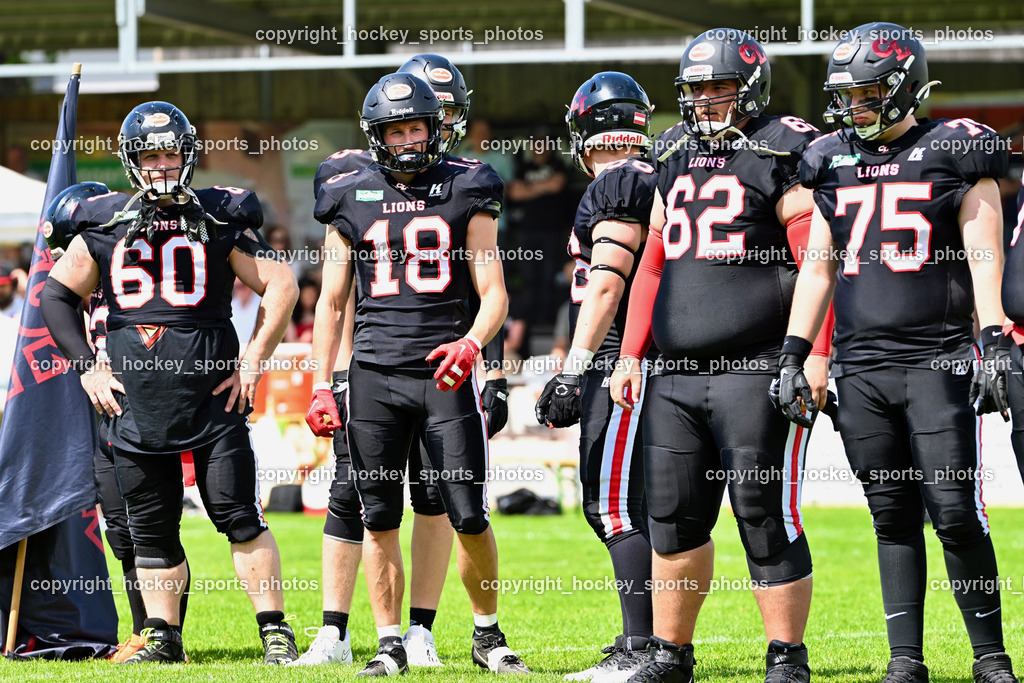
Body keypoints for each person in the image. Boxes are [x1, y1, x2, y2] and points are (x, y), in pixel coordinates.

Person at [778, 22, 1019, 683]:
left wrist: (993, 335)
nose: (852, 106)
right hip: (861, 368)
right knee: (891, 516)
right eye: (846, 94)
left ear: (903, 86)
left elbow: (982, 250)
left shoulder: (954, 148)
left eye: (866, 93)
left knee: (955, 510)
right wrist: (795, 350)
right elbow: (819, 265)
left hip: (935, 359)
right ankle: (905, 659)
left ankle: (990, 657)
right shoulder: (828, 158)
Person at [40, 101, 300, 664]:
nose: (161, 165)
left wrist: (254, 358)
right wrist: (87, 364)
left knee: (239, 517)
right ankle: (164, 637)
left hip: (211, 397)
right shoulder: (105, 220)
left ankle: (274, 629)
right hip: (134, 402)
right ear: (132, 161)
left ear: (188, 155)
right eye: (150, 155)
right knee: (151, 530)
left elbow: (280, 283)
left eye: (170, 153)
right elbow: (55, 295)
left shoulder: (218, 214)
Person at [610, 29, 834, 683]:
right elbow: (653, 259)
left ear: (752, 86)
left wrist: (813, 354)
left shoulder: (784, 146)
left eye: (720, 87)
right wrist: (630, 353)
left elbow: (814, 258)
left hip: (758, 360)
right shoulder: (673, 150)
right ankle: (670, 654)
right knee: (673, 516)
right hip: (676, 371)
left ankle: (786, 655)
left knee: (763, 512)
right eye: (697, 89)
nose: (707, 100)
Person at [308, 72, 527, 677]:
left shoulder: (468, 185)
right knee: (378, 515)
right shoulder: (347, 193)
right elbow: (330, 302)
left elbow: (494, 293)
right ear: (376, 135)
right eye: (396, 129)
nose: (408, 140)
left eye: (417, 127)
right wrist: (324, 381)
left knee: (468, 511)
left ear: (437, 126)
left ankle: (487, 633)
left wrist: (472, 344)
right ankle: (387, 642)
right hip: (375, 373)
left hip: (444, 375)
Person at [534, 71, 657, 683]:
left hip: (621, 362)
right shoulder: (658, 175)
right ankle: (652, 641)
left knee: (611, 506)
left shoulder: (617, 182)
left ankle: (644, 648)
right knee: (648, 507)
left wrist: (571, 370)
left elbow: (607, 284)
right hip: (652, 359)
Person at [42, 181, 194, 663]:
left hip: (141, 412)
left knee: (154, 530)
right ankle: (142, 633)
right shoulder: (74, 290)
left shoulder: (133, 279)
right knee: (122, 533)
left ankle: (166, 635)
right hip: (102, 417)